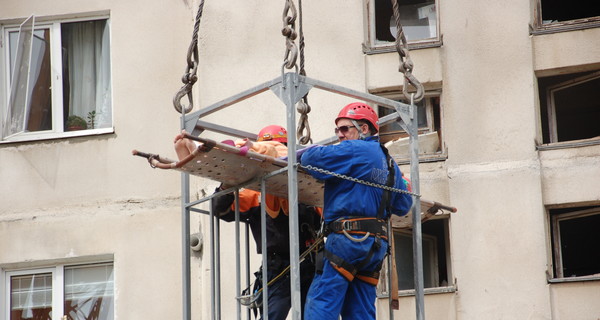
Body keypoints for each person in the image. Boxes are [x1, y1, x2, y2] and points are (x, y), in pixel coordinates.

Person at [175, 125, 321, 320]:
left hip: (309, 261)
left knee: (312, 315)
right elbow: (220, 208)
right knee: (273, 315)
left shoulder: (306, 184)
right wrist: (229, 180)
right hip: (279, 264)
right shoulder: (255, 193)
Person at [300, 102, 413, 320]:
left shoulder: (355, 149)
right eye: (337, 130)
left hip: (348, 240)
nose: (339, 135)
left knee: (323, 301)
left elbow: (309, 159)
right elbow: (403, 206)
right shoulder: (390, 164)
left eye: (344, 129)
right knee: (359, 310)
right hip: (375, 245)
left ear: (364, 129)